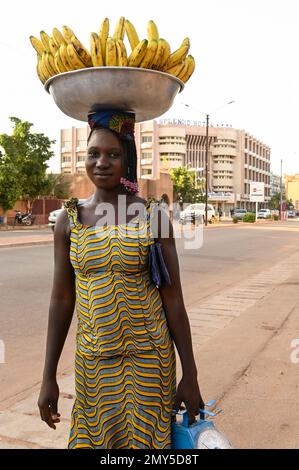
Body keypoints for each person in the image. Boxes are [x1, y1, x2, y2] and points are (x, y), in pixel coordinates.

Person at [37, 109, 204, 449]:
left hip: (149, 363)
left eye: (113, 154)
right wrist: (48, 375)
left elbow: (173, 299)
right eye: (93, 154)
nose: (101, 162)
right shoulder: (69, 221)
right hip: (94, 363)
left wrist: (191, 373)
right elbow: (61, 299)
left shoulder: (153, 215)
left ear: (127, 159)